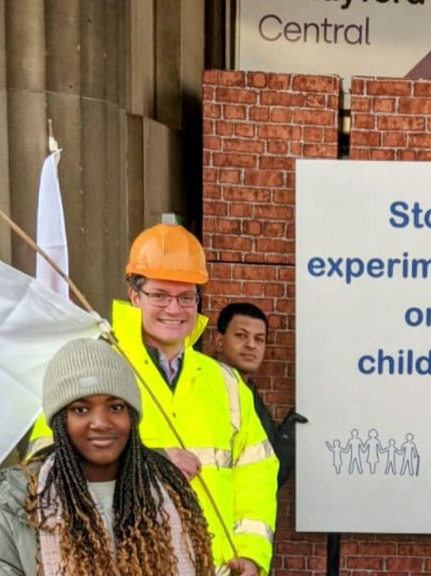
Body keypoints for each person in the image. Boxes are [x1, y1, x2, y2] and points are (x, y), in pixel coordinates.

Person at [29, 224, 278, 576]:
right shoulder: (94, 369)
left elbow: (258, 475)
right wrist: (152, 463)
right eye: (160, 295)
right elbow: (48, 469)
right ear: (135, 296)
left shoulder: (225, 382)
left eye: (186, 297)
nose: (174, 309)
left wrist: (251, 555)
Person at [0, 338, 213, 575]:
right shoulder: (19, 505)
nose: (101, 423)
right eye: (81, 409)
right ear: (60, 421)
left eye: (116, 407)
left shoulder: (171, 493)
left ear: (132, 415)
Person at [213, 301, 307, 486]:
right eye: (241, 336)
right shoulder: (206, 387)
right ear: (219, 341)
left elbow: (268, 475)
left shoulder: (248, 393)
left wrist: (287, 438)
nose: (251, 345)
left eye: (259, 339)